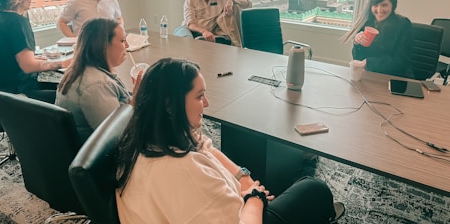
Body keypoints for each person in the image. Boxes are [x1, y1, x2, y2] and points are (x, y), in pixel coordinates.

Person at [116, 58, 344, 224]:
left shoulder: (145, 137)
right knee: (313, 188)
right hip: (246, 215)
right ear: (169, 104)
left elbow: (203, 143)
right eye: (199, 96)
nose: (206, 103)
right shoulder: (182, 171)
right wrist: (254, 198)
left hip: (235, 203)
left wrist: (242, 178)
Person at [0, 0, 72, 117]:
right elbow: (28, 66)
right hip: (21, 100)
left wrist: (25, 57)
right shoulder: (19, 22)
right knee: (70, 97)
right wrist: (60, 63)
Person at [56, 17, 130, 143]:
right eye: (122, 40)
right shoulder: (96, 85)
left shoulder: (79, 69)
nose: (127, 46)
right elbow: (119, 137)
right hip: (104, 157)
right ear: (103, 45)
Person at [343, 0, 413, 78]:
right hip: (370, 76)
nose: (379, 10)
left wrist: (369, 62)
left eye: (384, 5)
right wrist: (357, 43)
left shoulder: (403, 24)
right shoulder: (366, 23)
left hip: (395, 79)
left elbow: (400, 62)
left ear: (393, 5)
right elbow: (358, 59)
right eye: (375, 5)